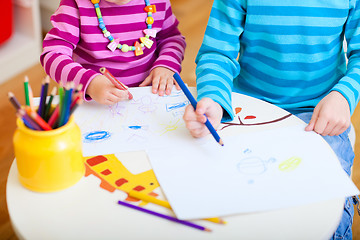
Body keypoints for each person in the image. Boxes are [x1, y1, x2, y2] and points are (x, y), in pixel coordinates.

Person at [183, 1, 360, 239]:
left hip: (317, 112)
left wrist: (343, 95)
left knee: (325, 205)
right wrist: (213, 98)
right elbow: (217, 52)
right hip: (248, 108)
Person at [41, 0, 186, 105]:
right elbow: (52, 55)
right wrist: (89, 82)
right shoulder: (74, 4)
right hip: (93, 102)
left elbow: (171, 38)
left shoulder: (158, 2)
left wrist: (166, 65)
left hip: (148, 98)